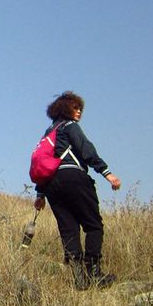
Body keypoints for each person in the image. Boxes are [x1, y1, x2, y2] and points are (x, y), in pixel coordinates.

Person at [33, 91, 121, 290]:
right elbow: (85, 149)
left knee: (69, 231)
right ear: (65, 109)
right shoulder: (70, 126)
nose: (79, 111)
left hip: (51, 185)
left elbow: (43, 163)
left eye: (80, 108)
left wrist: (40, 194)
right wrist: (107, 173)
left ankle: (79, 279)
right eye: (76, 107)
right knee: (93, 226)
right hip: (74, 178)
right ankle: (94, 274)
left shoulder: (48, 133)